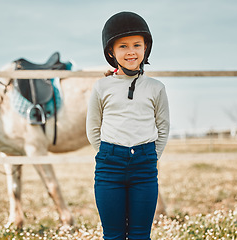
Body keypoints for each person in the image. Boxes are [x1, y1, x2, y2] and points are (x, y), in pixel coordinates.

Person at [86, 11, 170, 240]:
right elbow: (93, 128)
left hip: (144, 167)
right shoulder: (102, 87)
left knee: (140, 235)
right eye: (123, 46)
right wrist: (107, 153)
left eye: (136, 45)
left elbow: (163, 127)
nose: (131, 51)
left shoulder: (156, 88)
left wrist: (151, 155)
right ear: (111, 52)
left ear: (146, 48)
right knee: (112, 235)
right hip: (109, 167)